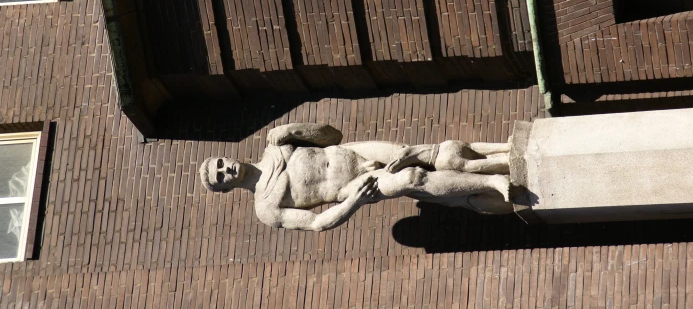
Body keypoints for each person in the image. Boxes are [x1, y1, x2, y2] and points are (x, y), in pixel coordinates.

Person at [200, 123, 514, 231]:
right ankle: (492, 183)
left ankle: (500, 157)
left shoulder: (276, 143)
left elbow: (333, 135)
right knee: (411, 179)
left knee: (431, 154)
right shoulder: (266, 208)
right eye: (220, 177)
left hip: (353, 151)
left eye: (220, 163)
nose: (224, 169)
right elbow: (317, 223)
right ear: (226, 188)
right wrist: (354, 201)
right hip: (355, 187)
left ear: (227, 156)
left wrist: (294, 130)